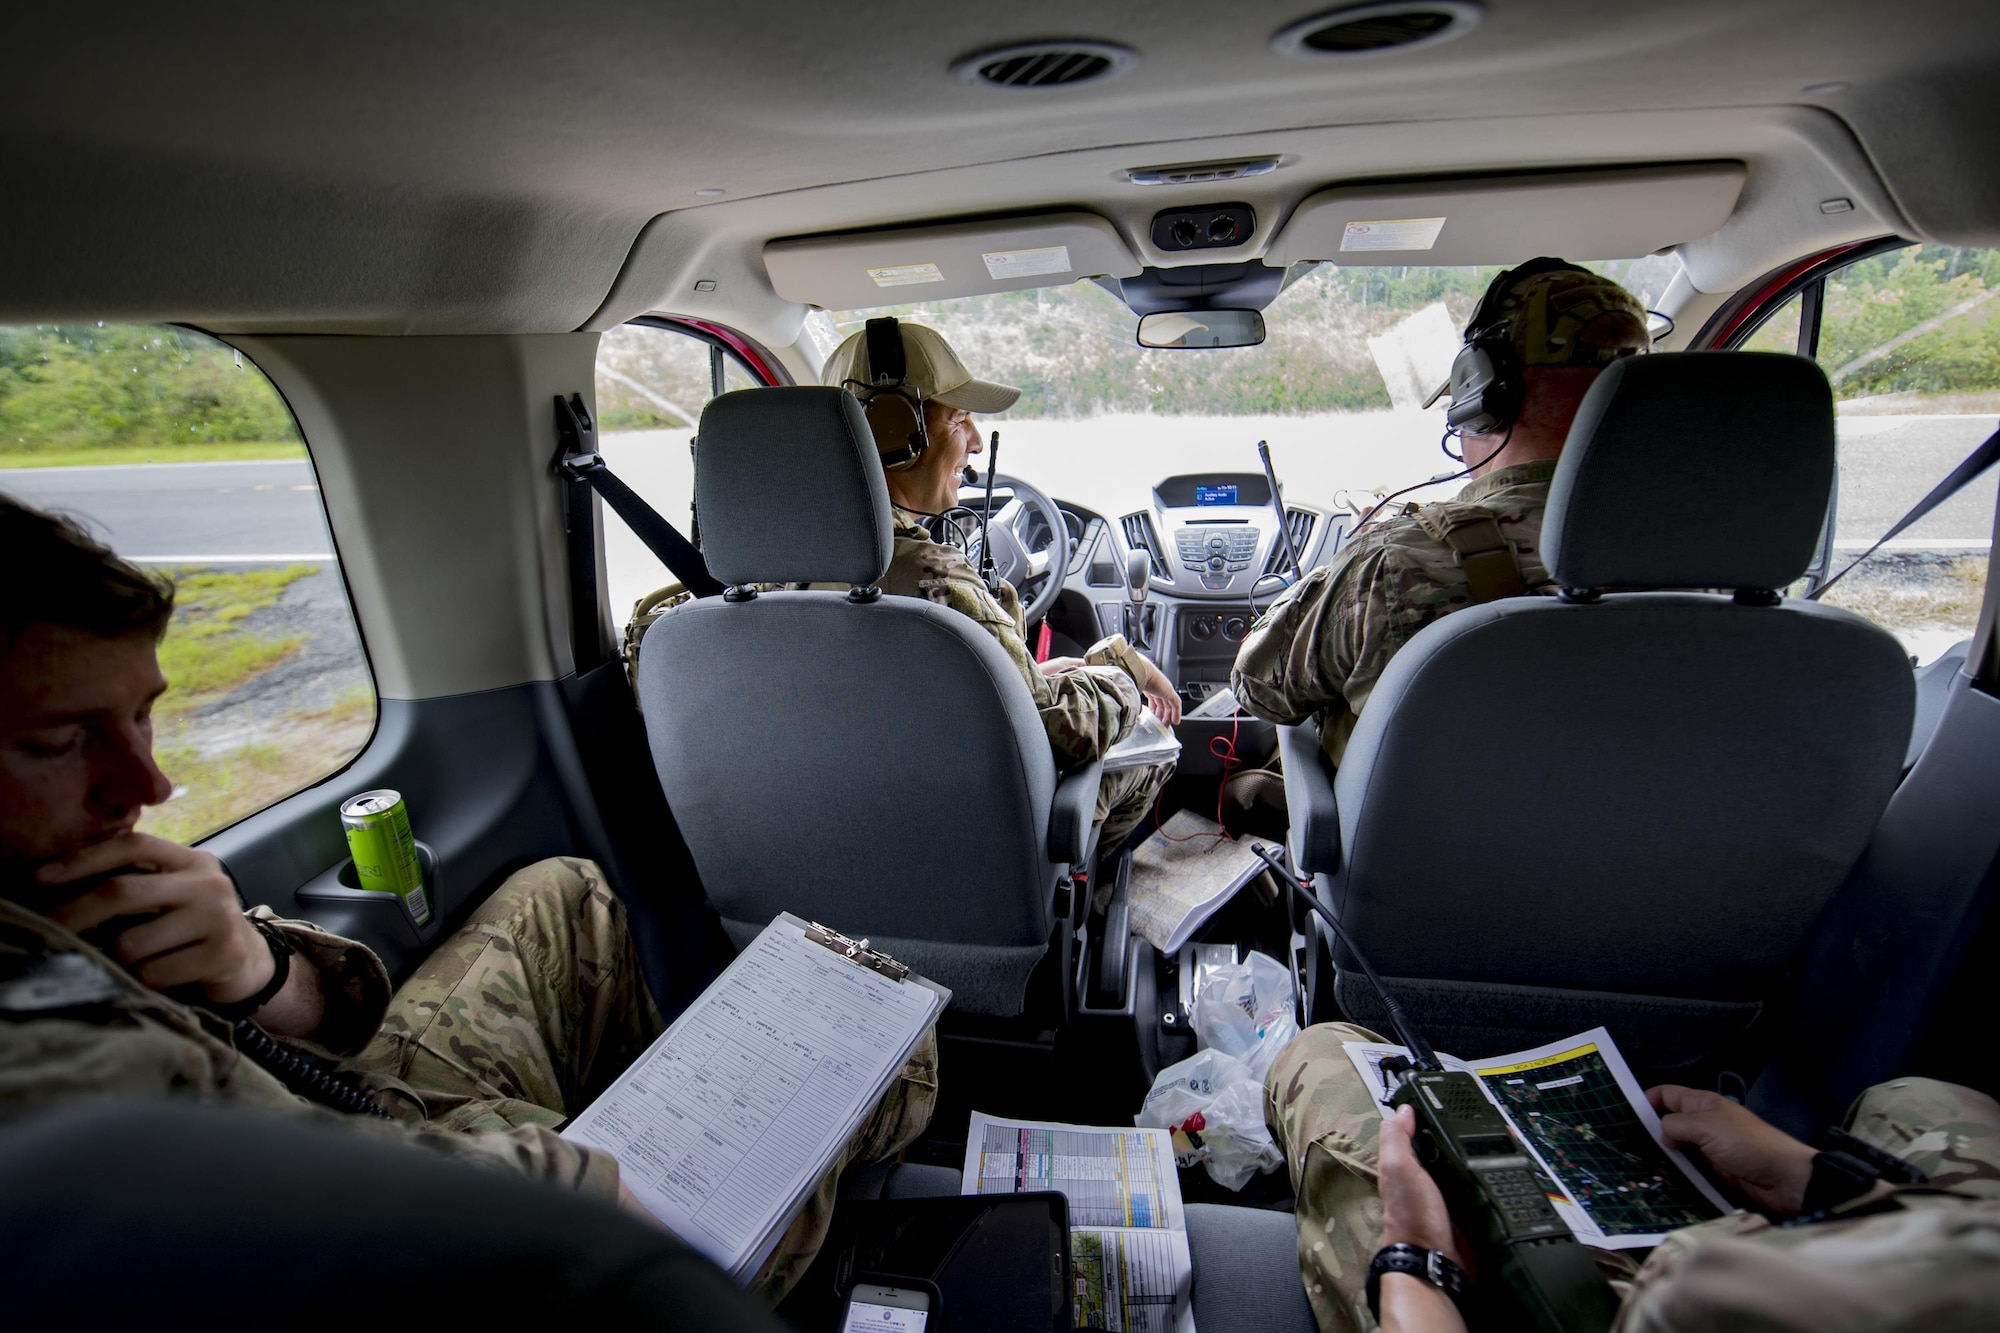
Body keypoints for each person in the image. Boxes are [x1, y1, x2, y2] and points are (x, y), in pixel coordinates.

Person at [0, 492, 934, 1304]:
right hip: (449, 1250)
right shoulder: (49, 1072)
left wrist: (258, 972)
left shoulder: (54, 909)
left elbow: (331, 1024)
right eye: (57, 741)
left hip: (359, 1127)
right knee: (891, 1043)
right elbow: (330, 1238)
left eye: (143, 714)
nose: (149, 785)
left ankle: (662, 1109)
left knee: (560, 892)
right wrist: (579, 1175)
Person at [630, 319, 1177, 855]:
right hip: (957, 862)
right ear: (892, 430)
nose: (976, 443)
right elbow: (1062, 732)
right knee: (1150, 749)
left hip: (796, 861)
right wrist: (1122, 666)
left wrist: (1020, 678)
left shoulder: (692, 612)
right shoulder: (935, 583)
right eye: (960, 417)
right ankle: (1083, 918)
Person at [1265, 1022, 2000, 1332]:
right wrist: (1819, 1180)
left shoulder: (1701, 1288)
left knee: (1325, 1053)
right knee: (1924, 1104)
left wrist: (1418, 1260)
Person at [1230, 261, 1651, 766]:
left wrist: (1349, 560)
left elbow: (1260, 688)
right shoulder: (1724, 563)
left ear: (1481, 398)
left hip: (1437, 845)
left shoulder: (1396, 562)